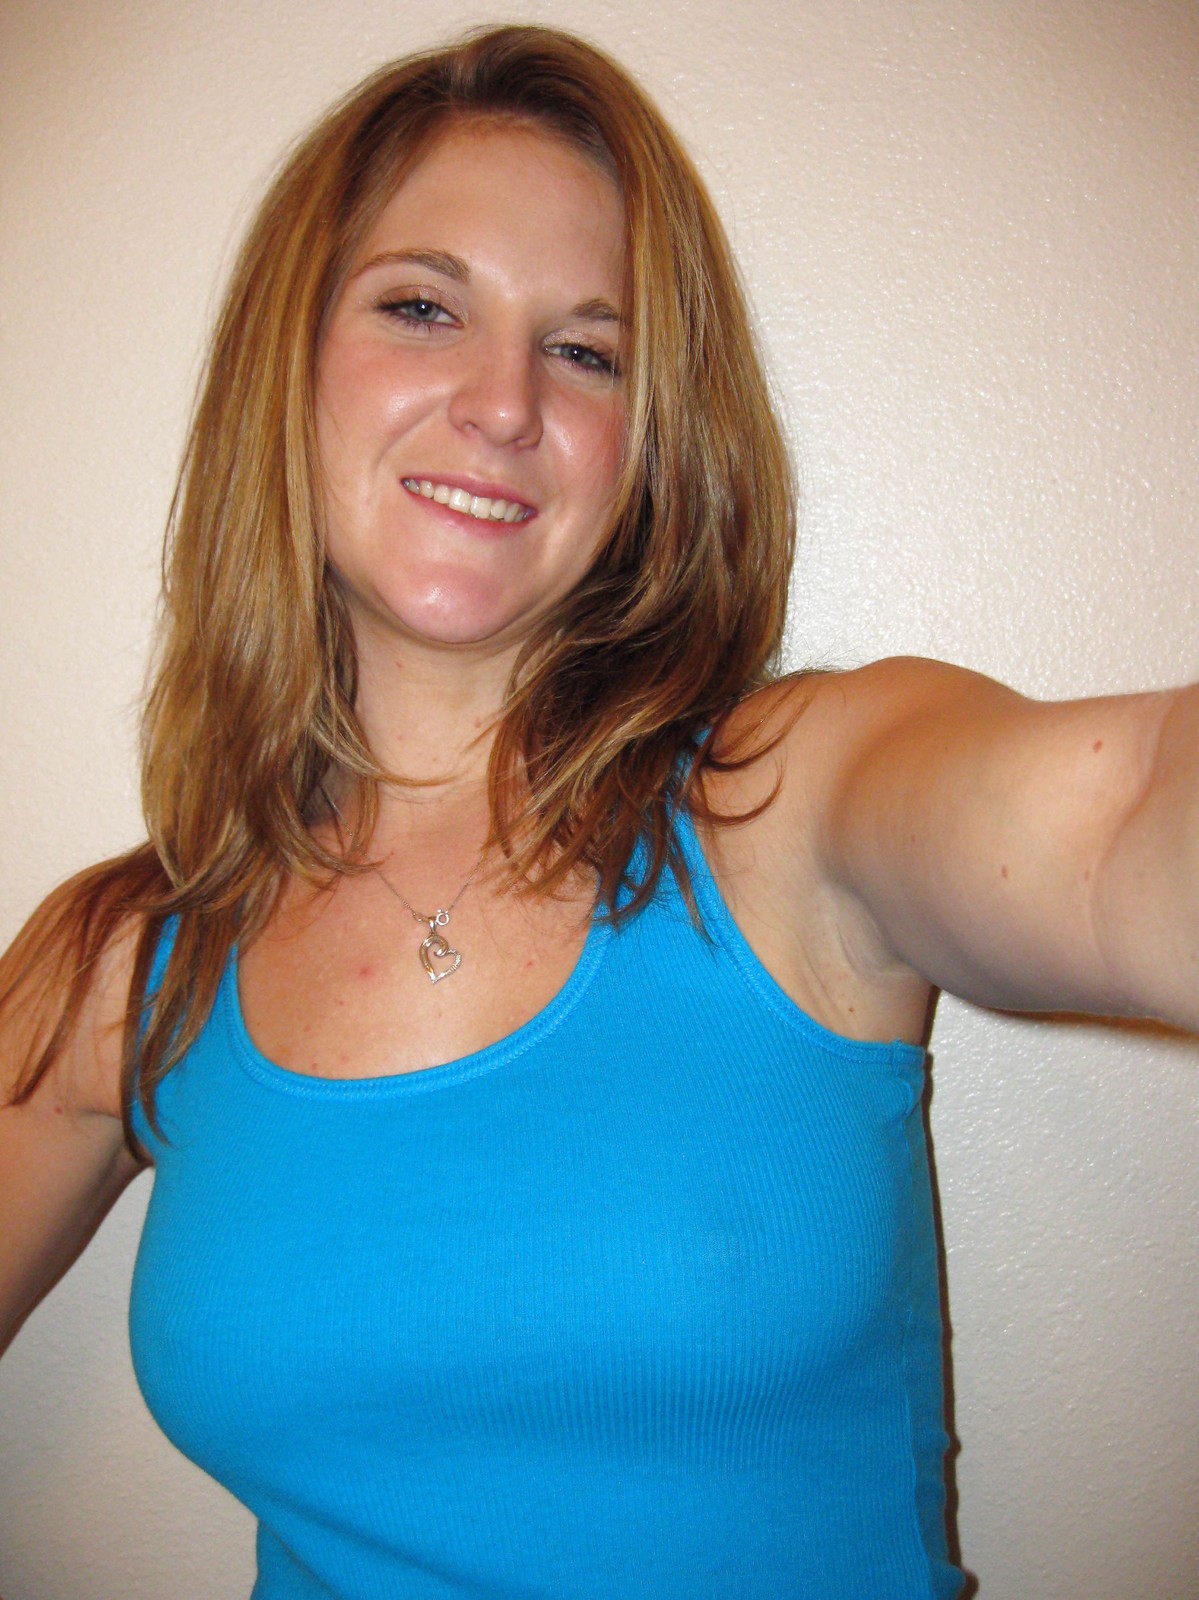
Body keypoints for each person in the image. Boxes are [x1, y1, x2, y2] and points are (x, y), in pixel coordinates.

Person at [0, 22, 1194, 1600]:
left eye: (587, 351)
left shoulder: (791, 803)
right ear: (287, 360)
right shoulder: (127, 964)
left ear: (650, 442)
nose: (502, 402)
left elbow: (1120, 825)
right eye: (422, 306)